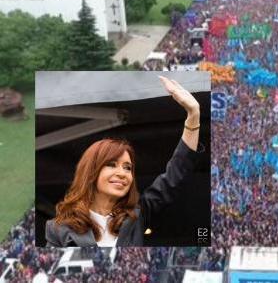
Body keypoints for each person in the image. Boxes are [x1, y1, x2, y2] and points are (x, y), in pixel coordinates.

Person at [45, 76, 202, 247]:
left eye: (127, 168)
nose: (122, 173)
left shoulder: (138, 215)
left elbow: (175, 174)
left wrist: (193, 115)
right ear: (91, 171)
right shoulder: (57, 229)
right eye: (111, 164)